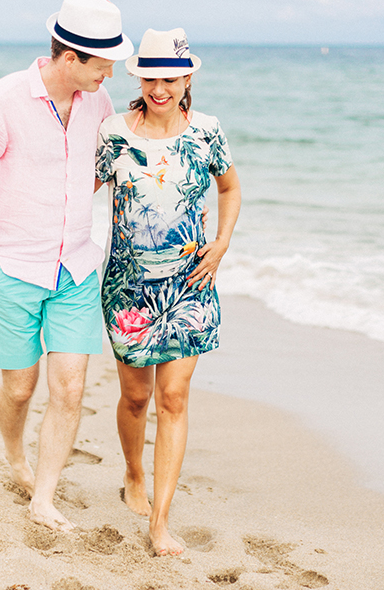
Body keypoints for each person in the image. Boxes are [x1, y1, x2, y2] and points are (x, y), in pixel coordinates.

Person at [0, 0, 133, 532]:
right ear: (72, 57)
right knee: (20, 388)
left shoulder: (97, 105)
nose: (110, 74)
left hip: (76, 268)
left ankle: (44, 498)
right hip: (12, 268)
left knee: (71, 388)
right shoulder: (2, 101)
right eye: (104, 64)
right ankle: (15, 458)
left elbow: (92, 169)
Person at [94, 28, 241, 555]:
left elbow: (229, 187)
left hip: (189, 284)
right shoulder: (114, 132)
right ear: (138, 78)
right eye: (151, 77)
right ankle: (133, 472)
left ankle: (160, 522)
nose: (160, 88)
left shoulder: (207, 131)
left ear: (187, 79)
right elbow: (76, 191)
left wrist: (220, 244)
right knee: (136, 397)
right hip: (129, 285)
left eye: (171, 78)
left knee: (173, 397)